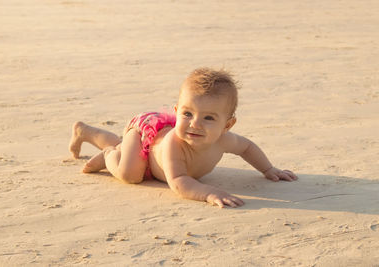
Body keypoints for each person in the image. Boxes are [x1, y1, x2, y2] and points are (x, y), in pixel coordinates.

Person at [69, 67, 298, 208]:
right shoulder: (174, 144)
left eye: (208, 118)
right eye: (187, 114)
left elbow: (247, 147)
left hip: (150, 156)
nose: (195, 124)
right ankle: (109, 155)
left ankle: (85, 132)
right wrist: (208, 193)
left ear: (227, 125)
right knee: (131, 173)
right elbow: (178, 182)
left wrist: (268, 169)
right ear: (177, 111)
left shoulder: (224, 140)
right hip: (145, 134)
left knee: (124, 148)